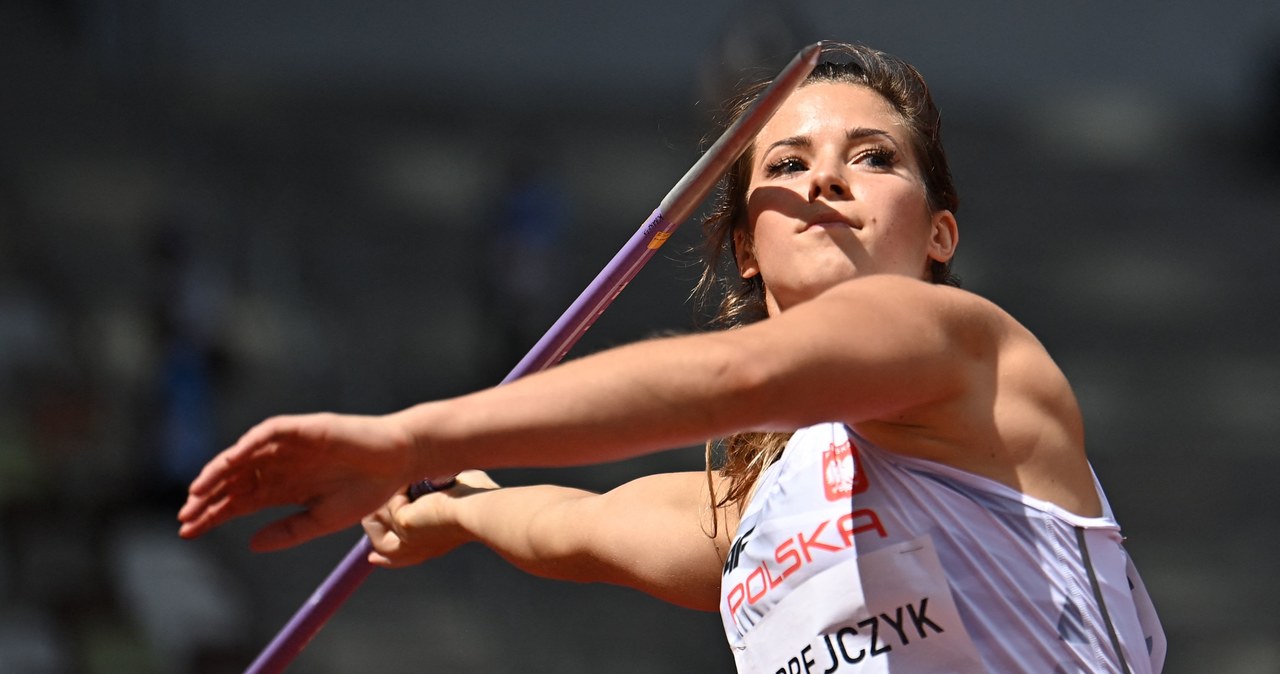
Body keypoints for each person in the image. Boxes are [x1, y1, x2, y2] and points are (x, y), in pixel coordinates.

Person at [178, 43, 1165, 672]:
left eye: (872, 156)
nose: (825, 175)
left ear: (938, 231)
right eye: (784, 165)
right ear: (742, 241)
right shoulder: (768, 518)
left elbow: (732, 376)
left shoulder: (961, 351)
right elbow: (584, 523)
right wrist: (455, 510)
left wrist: (400, 436)